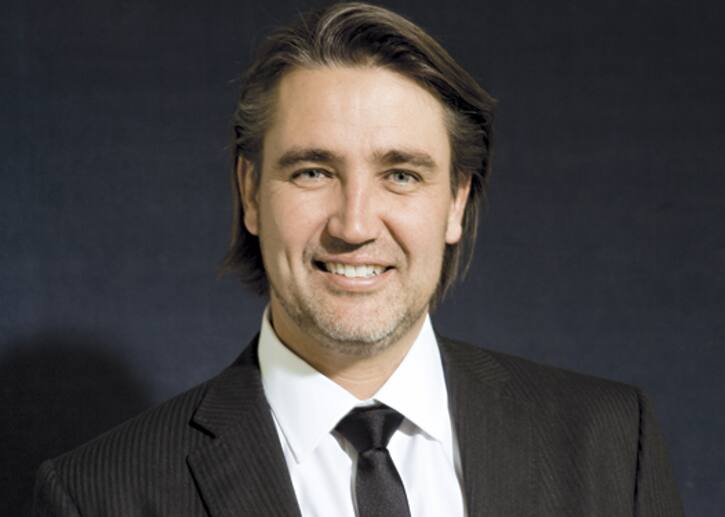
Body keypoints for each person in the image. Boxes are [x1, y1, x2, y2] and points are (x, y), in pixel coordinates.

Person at [33, 3, 684, 516]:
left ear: (456, 201)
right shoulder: (98, 497)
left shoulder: (608, 443)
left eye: (401, 175)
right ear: (250, 193)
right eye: (313, 171)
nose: (354, 225)